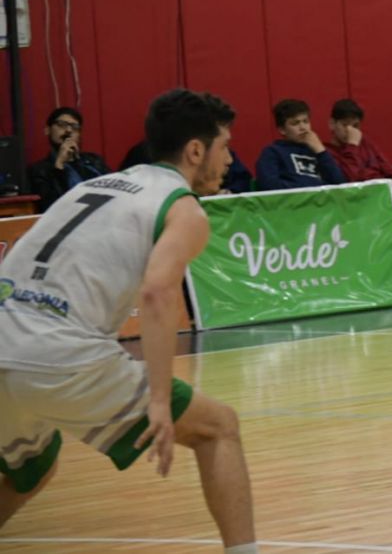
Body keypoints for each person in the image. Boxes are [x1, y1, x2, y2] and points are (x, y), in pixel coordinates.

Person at [0, 89, 258, 553]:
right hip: (58, 352)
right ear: (195, 150)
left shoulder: (92, 186)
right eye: (225, 146)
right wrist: (158, 399)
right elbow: (157, 293)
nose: (229, 159)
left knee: (31, 468)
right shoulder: (183, 208)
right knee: (218, 428)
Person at [27, 107, 111, 212]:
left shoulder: (94, 161)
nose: (69, 130)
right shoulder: (39, 170)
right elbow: (50, 207)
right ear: (47, 130)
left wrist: (79, 163)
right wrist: (59, 165)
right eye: (61, 124)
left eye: (75, 127)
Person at [255, 99, 346, 190]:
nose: (303, 127)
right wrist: (308, 188)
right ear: (282, 130)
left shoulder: (317, 152)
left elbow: (340, 185)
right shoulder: (273, 152)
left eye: (305, 121)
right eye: (295, 123)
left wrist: (321, 152)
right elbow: (269, 185)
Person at [122, 138, 253, 193]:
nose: (229, 160)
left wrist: (230, 192)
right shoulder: (141, 155)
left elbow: (242, 179)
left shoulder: (216, 153)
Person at [327, 98, 392, 181]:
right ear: (332, 124)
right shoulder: (328, 153)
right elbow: (350, 178)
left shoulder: (365, 143)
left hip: (381, 185)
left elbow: (388, 169)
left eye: (355, 126)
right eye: (345, 125)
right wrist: (352, 145)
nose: (350, 131)